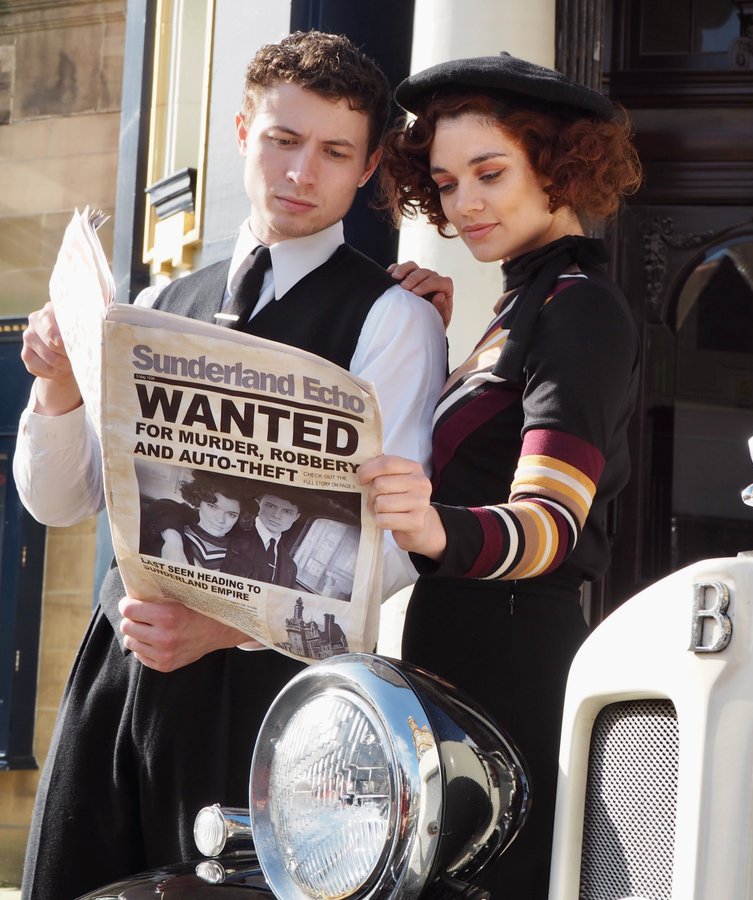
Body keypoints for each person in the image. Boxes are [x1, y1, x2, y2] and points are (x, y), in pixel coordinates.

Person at [14, 31, 449, 899]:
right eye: (284, 140)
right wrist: (56, 389)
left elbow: (392, 548)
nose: (301, 172)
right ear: (242, 127)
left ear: (366, 171)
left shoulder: (396, 321)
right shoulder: (151, 306)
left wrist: (226, 631)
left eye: (333, 153)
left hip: (269, 691)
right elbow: (59, 503)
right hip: (120, 668)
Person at [360, 53, 643, 896]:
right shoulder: (524, 307)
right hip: (459, 648)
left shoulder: (580, 307)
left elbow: (552, 525)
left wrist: (432, 524)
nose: (466, 203)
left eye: (491, 172)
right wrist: (435, 346)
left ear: (560, 166)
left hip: (514, 661)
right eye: (446, 183)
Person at [140, 469, 246, 570]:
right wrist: (173, 540)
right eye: (212, 507)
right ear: (199, 501)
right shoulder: (172, 530)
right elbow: (161, 506)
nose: (220, 520)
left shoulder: (243, 558)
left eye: (231, 515)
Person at [221, 488, 303, 587]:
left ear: (296, 517)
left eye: (287, 512)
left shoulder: (291, 567)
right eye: (270, 506)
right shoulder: (229, 536)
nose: (276, 515)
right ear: (257, 505)